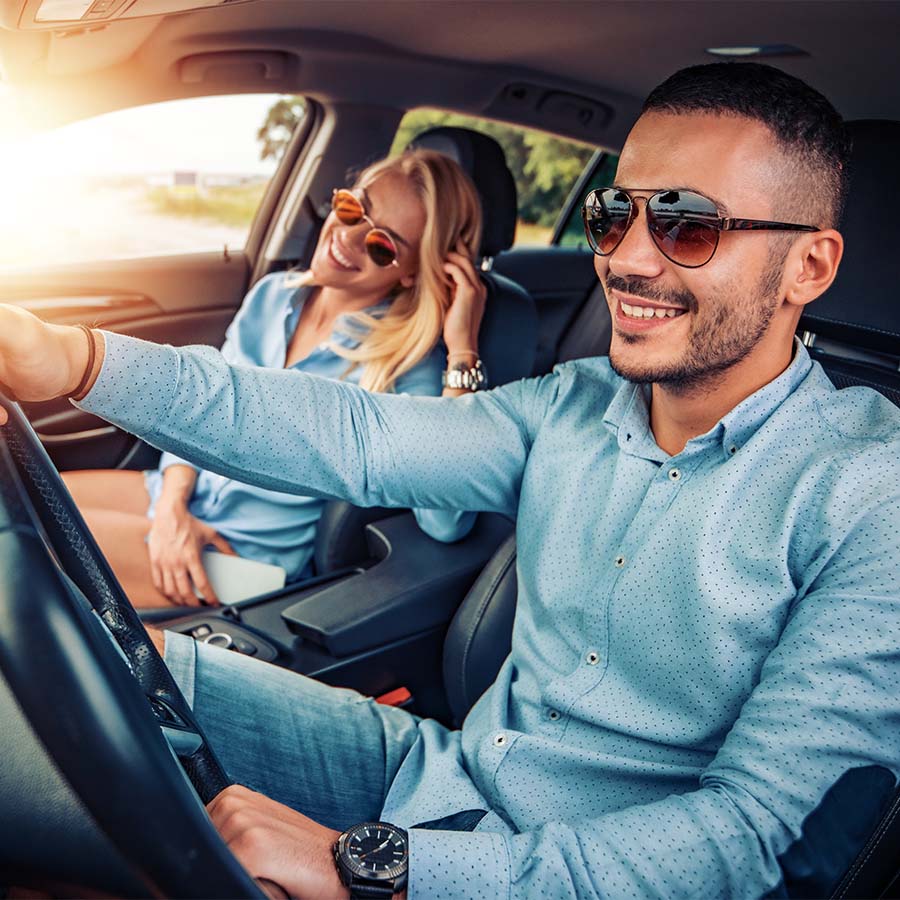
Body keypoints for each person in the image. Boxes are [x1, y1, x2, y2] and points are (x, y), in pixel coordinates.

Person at [1, 62, 899, 899]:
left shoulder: (868, 494)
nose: (626, 259)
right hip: (436, 772)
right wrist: (73, 359)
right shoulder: (572, 405)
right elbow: (352, 432)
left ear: (809, 267)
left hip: (567, 870)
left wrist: (373, 864)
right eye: (612, 216)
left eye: (688, 225)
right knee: (111, 666)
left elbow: (757, 841)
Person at [60, 149, 484, 607]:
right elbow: (196, 408)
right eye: (353, 209)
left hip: (240, 557)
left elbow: (446, 521)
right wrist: (170, 508)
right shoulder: (271, 296)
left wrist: (462, 351)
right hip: (179, 495)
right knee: (18, 491)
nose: (348, 236)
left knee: (22, 544)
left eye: (382, 246)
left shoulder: (407, 365)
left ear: (412, 273)